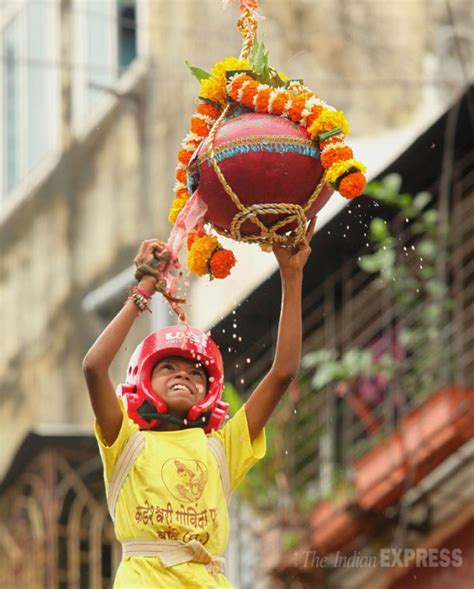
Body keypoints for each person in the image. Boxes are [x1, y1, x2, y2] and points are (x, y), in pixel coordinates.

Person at [82, 218, 316, 588]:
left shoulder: (221, 450)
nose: (183, 376)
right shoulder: (126, 442)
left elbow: (283, 373)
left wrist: (291, 275)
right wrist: (143, 289)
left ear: (208, 392)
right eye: (169, 367)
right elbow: (94, 368)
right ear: (144, 380)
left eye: (195, 374)